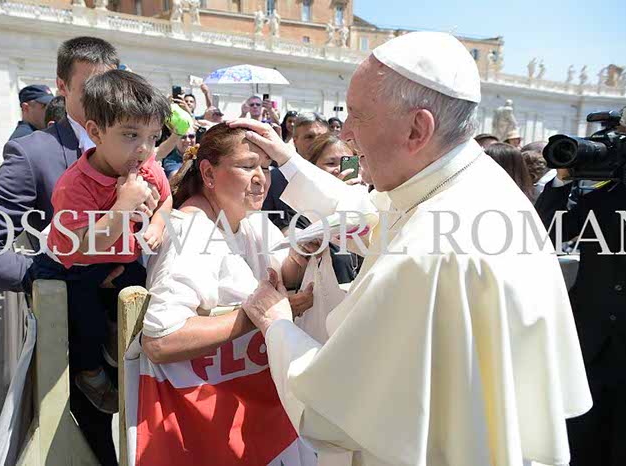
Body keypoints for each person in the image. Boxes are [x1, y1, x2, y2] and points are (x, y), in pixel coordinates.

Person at [232, 30, 591, 466]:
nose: (346, 133)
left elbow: (333, 411)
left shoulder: (425, 254)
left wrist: (276, 325)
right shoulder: (473, 184)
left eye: (358, 116)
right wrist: (288, 160)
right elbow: (369, 214)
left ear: (417, 129)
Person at [0, 36, 154, 466]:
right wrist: (54, 274)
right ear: (62, 87)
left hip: (141, 332)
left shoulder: (142, 146)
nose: (107, 97)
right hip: (78, 345)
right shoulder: (34, 154)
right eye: (92, 88)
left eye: (114, 85)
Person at [135, 123, 316, 464]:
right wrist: (255, 316)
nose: (261, 179)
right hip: (199, 427)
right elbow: (160, 340)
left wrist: (303, 251)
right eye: (248, 166)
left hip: (247, 414)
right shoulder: (191, 231)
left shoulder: (250, 220)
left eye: (266, 167)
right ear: (208, 173)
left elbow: (283, 271)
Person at [34, 69, 172, 414]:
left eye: (153, 137)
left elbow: (168, 198)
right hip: (76, 267)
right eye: (130, 134)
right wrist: (124, 204)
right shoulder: (75, 185)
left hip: (120, 260)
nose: (144, 149)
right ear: (95, 132)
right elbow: (85, 245)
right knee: (86, 325)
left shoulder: (148, 168)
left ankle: (119, 339)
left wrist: (158, 223)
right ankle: (89, 372)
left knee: (143, 297)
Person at [535, 166, 626, 466]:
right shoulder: (602, 197)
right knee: (582, 443)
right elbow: (546, 234)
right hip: (591, 346)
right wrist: (563, 179)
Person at [305, 132, 364, 283]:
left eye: (346, 163)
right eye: (331, 164)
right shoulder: (301, 208)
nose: (339, 170)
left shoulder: (369, 203)